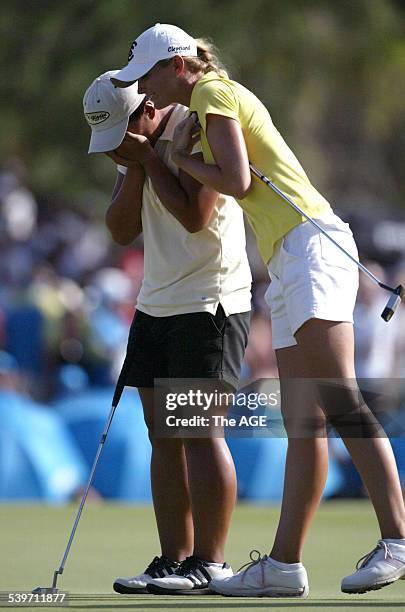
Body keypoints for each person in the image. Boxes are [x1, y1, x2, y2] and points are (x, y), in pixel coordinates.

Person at [111, 24, 405, 597]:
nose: (141, 88)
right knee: (306, 419)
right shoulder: (205, 96)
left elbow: (237, 180)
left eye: (146, 75)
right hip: (289, 256)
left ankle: (397, 537)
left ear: (177, 65)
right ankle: (284, 565)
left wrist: (175, 156)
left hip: (312, 246)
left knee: (338, 396)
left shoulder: (209, 92)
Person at [83, 71, 252, 594]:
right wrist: (135, 166)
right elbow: (119, 229)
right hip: (156, 304)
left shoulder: (193, 126)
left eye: (121, 134)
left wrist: (151, 160)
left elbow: (195, 217)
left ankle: (211, 563)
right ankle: (174, 561)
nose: (116, 148)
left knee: (199, 433)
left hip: (210, 303)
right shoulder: (138, 150)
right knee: (163, 436)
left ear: (146, 108)